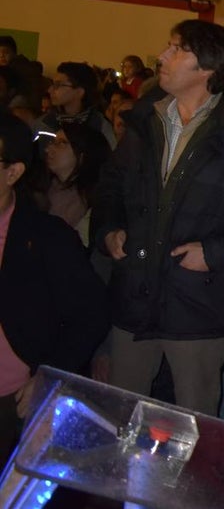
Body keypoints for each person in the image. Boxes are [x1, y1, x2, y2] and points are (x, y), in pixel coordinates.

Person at [93, 20, 224, 415]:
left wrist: (216, 252)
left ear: (207, 68)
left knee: (193, 423)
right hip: (136, 295)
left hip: (198, 302)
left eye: (177, 49)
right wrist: (109, 230)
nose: (162, 57)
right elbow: (110, 185)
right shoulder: (144, 123)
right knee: (121, 418)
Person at [0, 113, 109, 462]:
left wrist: (48, 376)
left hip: (11, 402)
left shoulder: (46, 238)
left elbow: (90, 313)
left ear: (12, 173)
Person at [34, 61, 116, 148]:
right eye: (52, 84)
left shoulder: (100, 126)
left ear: (79, 92)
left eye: (57, 85)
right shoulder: (44, 123)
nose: (50, 90)